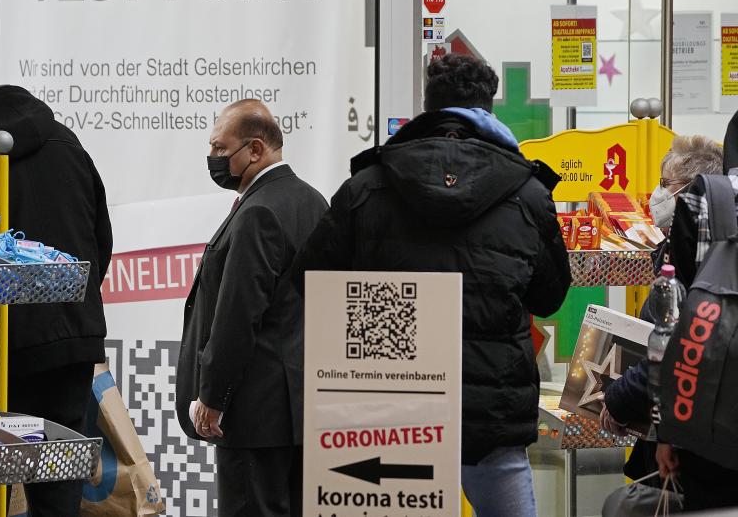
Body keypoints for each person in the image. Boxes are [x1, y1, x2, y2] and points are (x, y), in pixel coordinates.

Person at [293, 54, 571, 517]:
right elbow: (549, 295)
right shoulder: (528, 194)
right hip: (492, 416)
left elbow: (312, 283)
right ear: (488, 110)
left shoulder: (367, 186)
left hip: (390, 414)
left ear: (428, 109)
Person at [176, 99, 327, 517]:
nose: (214, 159)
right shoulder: (313, 202)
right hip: (299, 411)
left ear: (256, 149)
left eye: (221, 149)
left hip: (254, 411)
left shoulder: (259, 211)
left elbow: (238, 316)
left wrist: (213, 394)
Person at [0, 85, 113, 516]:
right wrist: (72, 304)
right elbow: (102, 239)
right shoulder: (69, 146)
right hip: (71, 341)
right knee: (59, 479)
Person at [601, 135, 723, 488]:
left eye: (663, 183)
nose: (656, 194)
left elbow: (674, 347)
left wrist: (622, 397)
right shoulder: (679, 248)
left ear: (689, 191)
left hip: (689, 441)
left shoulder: (697, 258)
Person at [653, 130, 738, 512]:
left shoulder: (702, 210)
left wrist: (666, 430)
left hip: (711, 422)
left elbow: (681, 335)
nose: (657, 193)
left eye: (663, 184)